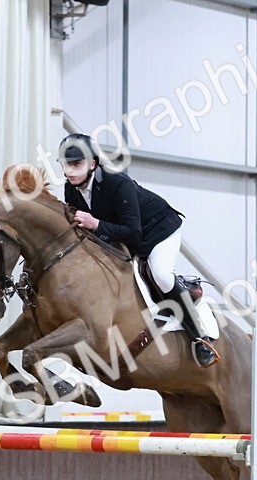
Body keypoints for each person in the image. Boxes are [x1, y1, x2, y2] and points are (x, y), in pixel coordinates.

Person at [56, 133, 219, 368]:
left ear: (92, 164)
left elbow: (133, 232)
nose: (69, 171)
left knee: (161, 275)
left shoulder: (117, 183)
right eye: (65, 164)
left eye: (76, 164)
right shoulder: (71, 190)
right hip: (122, 238)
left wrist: (96, 224)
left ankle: (201, 338)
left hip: (158, 231)